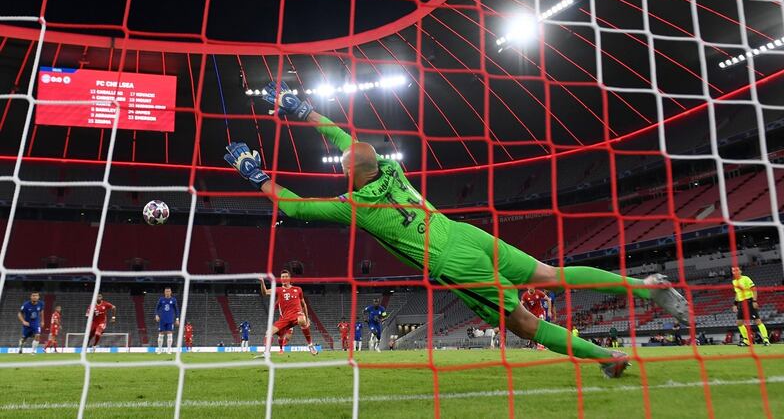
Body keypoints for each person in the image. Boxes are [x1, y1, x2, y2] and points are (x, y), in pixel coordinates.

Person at [223, 82, 690, 377]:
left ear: (350, 177)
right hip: (465, 233)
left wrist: (254, 173)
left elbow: (296, 206)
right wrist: (301, 109)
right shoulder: (389, 168)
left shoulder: (356, 207)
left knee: (524, 324)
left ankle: (607, 357)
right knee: (550, 274)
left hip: (453, 261)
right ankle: (645, 287)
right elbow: (343, 137)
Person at [257, 270, 318, 356]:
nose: (284, 278)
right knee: (269, 332)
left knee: (302, 319)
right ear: (281, 279)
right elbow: (265, 292)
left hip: (296, 315)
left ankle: (310, 345)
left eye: (286, 276)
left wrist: (307, 318)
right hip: (285, 318)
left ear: (289, 278)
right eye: (282, 277)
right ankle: (266, 353)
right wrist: (262, 282)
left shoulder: (298, 289)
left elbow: (303, 305)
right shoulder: (278, 290)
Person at [731, 266, 770, 346]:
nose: (735, 272)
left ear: (740, 271)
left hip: (749, 301)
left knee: (757, 321)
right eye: (733, 271)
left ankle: (766, 340)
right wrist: (735, 304)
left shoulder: (746, 278)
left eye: (737, 270)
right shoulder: (734, 282)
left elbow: (754, 289)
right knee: (739, 323)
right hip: (741, 303)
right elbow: (737, 293)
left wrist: (754, 301)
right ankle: (747, 340)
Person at [155, 287, 180, 354]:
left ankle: (169, 350)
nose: (167, 293)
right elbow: (157, 308)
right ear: (164, 292)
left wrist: (177, 319)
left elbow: (176, 310)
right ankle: (160, 350)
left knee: (170, 334)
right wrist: (156, 315)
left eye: (169, 291)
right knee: (161, 334)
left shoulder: (173, 300)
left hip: (170, 320)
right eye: (166, 291)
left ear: (171, 292)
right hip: (162, 319)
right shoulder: (161, 299)